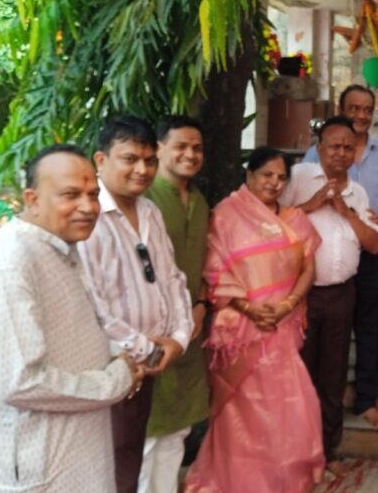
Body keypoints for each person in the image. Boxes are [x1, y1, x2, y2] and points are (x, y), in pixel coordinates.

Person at [0, 145, 145, 493]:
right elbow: (20, 381)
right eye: (70, 195)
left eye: (93, 194)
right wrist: (114, 381)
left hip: (75, 449)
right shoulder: (10, 264)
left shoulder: (57, 246)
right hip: (37, 464)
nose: (88, 207)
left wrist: (116, 356)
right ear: (32, 200)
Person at [185, 146, 324, 492]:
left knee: (289, 409)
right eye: (267, 175)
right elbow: (214, 271)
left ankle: (281, 482)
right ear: (249, 175)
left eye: (281, 178)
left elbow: (309, 268)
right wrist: (249, 308)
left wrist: (288, 304)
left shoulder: (294, 220)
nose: (274, 183)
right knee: (241, 413)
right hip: (242, 334)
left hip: (282, 328)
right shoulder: (225, 217)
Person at [79, 116, 194, 493]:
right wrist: (146, 350)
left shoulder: (150, 212)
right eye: (129, 159)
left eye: (149, 160)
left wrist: (178, 338)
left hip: (148, 365)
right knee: (106, 466)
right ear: (101, 160)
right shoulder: (87, 217)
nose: (142, 170)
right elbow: (93, 303)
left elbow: (173, 280)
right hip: (110, 365)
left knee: (128, 461)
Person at [304, 84, 378, 429]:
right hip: (325, 257)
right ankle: (310, 404)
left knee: (368, 326)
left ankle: (366, 399)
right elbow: (296, 201)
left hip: (370, 251)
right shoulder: (314, 154)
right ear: (341, 109)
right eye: (354, 108)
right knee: (321, 333)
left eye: (367, 110)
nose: (361, 116)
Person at [283, 115, 378, 475]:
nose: (341, 153)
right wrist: (309, 206)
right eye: (334, 146)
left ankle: (328, 451)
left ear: (356, 152)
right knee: (300, 376)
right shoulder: (297, 179)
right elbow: (271, 223)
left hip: (342, 295)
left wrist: (346, 212)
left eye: (348, 147)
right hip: (302, 295)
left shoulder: (358, 193)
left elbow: (374, 244)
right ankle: (298, 454)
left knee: (334, 375)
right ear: (320, 147)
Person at [139, 116, 210, 492]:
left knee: (178, 430)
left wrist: (201, 305)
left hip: (190, 326)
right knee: (148, 432)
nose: (190, 154)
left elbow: (204, 262)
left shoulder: (199, 201)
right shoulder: (144, 199)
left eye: (197, 148)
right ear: (160, 149)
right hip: (150, 330)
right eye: (180, 146)